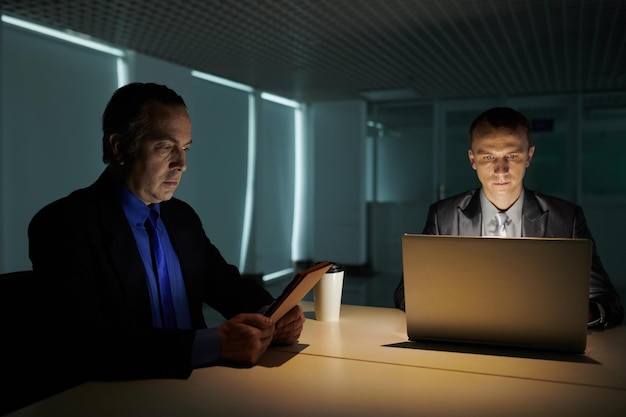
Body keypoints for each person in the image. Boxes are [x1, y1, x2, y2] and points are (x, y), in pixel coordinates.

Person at [28, 82, 305, 381]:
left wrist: (272, 314)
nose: (182, 164)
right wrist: (215, 344)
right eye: (165, 147)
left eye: (185, 148)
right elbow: (85, 343)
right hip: (122, 392)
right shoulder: (63, 224)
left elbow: (224, 283)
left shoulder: (182, 217)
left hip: (205, 386)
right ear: (120, 147)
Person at [393, 107, 623, 328]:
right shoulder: (442, 217)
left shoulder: (566, 218)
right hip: (464, 339)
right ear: (473, 160)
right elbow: (406, 292)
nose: (501, 170)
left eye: (512, 156)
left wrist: (576, 314)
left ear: (529, 156)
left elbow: (609, 303)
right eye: (488, 158)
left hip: (541, 344)